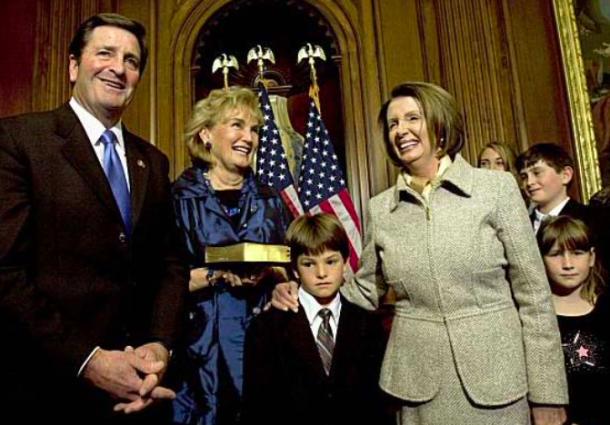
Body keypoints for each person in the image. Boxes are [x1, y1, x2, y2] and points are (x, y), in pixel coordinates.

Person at [273, 81, 568, 425]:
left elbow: (534, 296)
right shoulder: (381, 209)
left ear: (440, 124)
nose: (402, 130)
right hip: (417, 387)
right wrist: (299, 290)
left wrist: (548, 394)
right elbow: (365, 291)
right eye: (394, 123)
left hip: (497, 381)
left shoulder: (496, 190)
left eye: (413, 118)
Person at [0, 13, 187, 424]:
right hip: (47, 390)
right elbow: (5, 271)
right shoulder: (18, 141)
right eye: (105, 53)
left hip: (140, 395)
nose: (118, 68)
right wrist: (87, 360)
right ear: (72, 66)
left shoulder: (153, 162)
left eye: (132, 61)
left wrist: (159, 345)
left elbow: (170, 265)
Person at [170, 86, 290, 425]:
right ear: (206, 134)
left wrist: (276, 279)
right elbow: (163, 281)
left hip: (262, 341)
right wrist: (217, 274)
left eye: (254, 129)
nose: (248, 137)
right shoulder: (179, 198)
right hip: (199, 351)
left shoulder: (270, 200)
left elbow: (287, 266)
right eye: (237, 125)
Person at [241, 213, 392, 425]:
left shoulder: (368, 326)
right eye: (309, 264)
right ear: (294, 269)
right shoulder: (266, 328)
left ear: (346, 263)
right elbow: (257, 408)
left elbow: (378, 408)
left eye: (331, 261)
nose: (322, 273)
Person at [537, 216, 609, 425]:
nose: (567, 264)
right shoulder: (534, 316)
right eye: (556, 254)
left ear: (592, 257)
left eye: (577, 253)